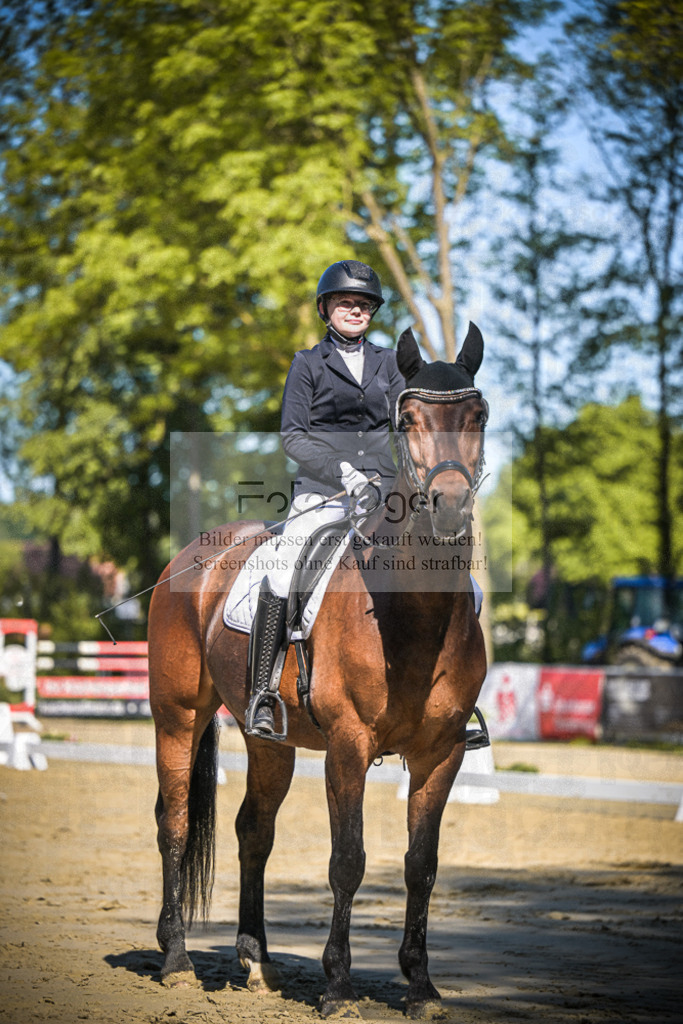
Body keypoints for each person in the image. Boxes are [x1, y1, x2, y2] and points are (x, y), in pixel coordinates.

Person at [247, 259, 405, 737]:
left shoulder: (391, 365)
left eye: (363, 304)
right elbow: (293, 437)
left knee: (454, 575)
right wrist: (345, 473)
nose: (355, 310)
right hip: (324, 492)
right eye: (345, 303)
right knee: (280, 567)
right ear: (326, 309)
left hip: (383, 494)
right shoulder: (307, 364)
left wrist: (389, 479)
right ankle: (263, 693)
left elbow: (404, 429)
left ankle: (455, 701)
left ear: (372, 312)